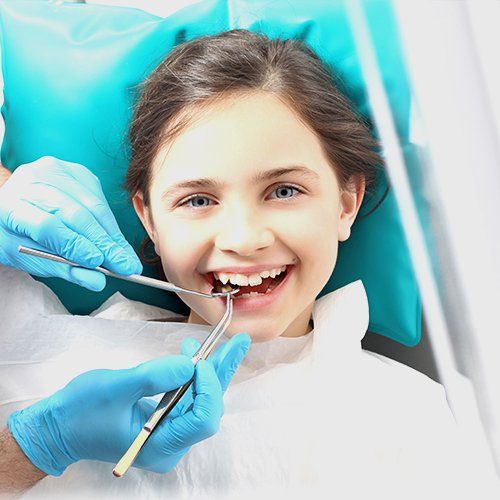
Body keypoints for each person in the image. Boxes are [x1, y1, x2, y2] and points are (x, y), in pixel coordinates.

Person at [1, 28, 498, 498]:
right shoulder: (33, 358)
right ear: (147, 219)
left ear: (346, 202)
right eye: (197, 200)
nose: (243, 239)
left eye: (284, 191)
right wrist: (38, 446)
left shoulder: (417, 419)